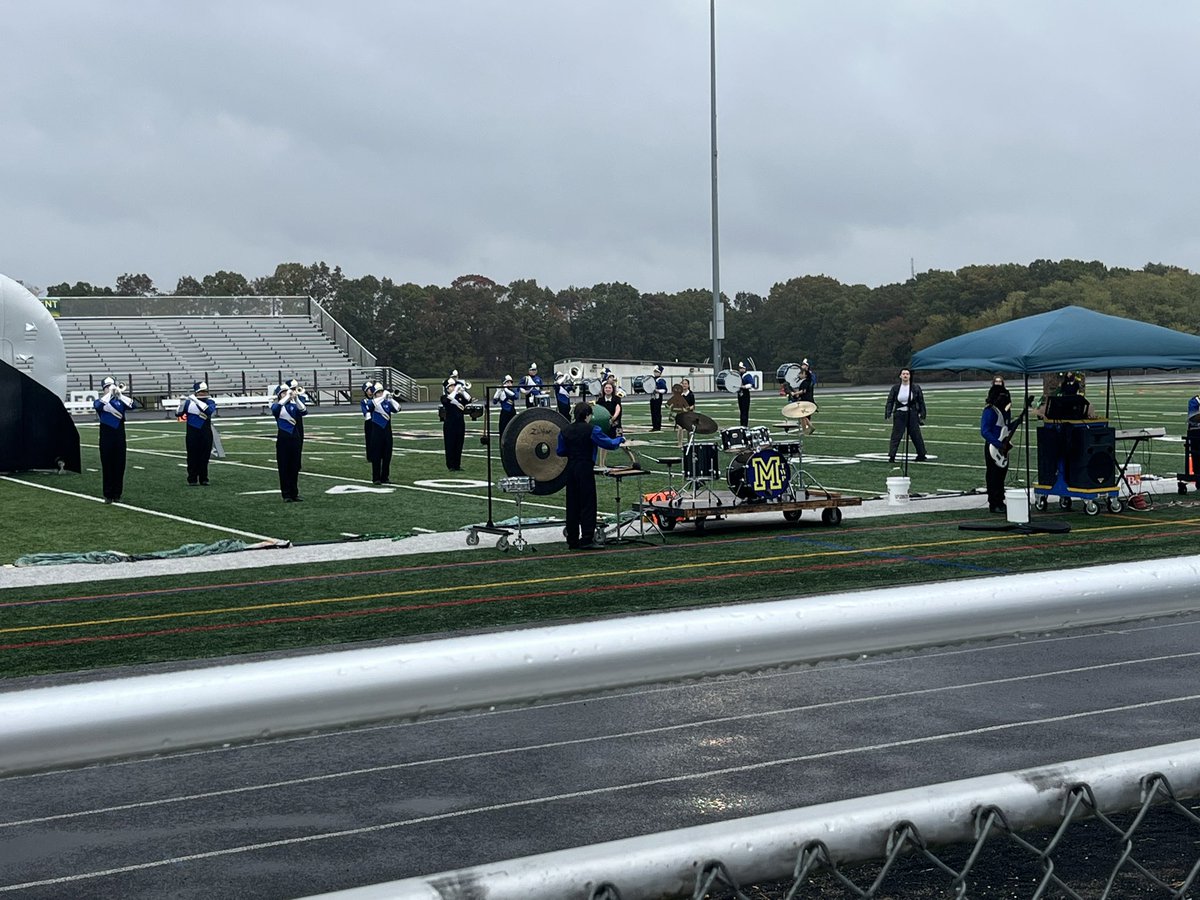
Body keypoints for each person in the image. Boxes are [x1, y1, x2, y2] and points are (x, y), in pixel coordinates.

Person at [556, 401, 626, 550]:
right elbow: (609, 444)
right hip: (585, 468)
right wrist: (620, 439)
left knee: (572, 504)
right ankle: (587, 538)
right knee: (587, 503)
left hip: (571, 468)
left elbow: (560, 451)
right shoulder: (592, 429)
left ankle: (572, 540)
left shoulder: (565, 430)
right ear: (587, 415)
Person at [93, 376, 136, 503]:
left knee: (119, 465)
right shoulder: (101, 401)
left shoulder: (120, 401)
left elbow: (134, 405)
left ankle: (117, 494)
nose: (110, 389)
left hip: (119, 436)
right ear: (103, 389)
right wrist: (109, 394)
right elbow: (98, 406)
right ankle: (108, 494)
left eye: (112, 386)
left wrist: (120, 395)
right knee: (107, 465)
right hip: (106, 437)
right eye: (107, 387)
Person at [980, 380, 1013, 514]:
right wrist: (998, 443)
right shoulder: (990, 411)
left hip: (1003, 447)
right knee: (993, 475)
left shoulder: (1005, 411)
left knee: (1001, 475)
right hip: (993, 447)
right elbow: (985, 431)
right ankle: (994, 503)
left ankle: (1000, 500)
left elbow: (1006, 427)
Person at [884, 368, 928, 463]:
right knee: (896, 435)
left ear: (910, 376)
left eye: (907, 374)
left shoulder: (915, 387)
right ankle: (892, 455)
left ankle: (921, 454)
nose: (905, 375)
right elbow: (890, 401)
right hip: (899, 414)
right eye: (903, 374)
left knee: (916, 435)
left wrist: (922, 414)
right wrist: (888, 413)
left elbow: (921, 401)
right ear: (900, 376)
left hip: (912, 414)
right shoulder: (895, 388)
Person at [176, 381, 216, 485]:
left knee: (205, 456)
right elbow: (178, 414)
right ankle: (192, 479)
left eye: (205, 391)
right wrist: (181, 403)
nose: (203, 393)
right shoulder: (189, 403)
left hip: (205, 431)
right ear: (196, 392)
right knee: (192, 456)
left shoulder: (210, 402)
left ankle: (204, 478)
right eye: (201, 391)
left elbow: (208, 411)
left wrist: (195, 400)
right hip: (192, 431)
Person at [272, 383, 307, 502]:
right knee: (284, 467)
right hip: (283, 438)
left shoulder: (293, 406)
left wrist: (296, 398)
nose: (287, 393)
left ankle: (294, 493)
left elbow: (304, 411)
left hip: (295, 437)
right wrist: (287, 396)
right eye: (283, 392)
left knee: (294, 466)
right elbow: (275, 409)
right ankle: (286, 494)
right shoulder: (278, 406)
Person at [367, 382, 401, 484]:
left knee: (387, 456)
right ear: (375, 394)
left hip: (387, 431)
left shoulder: (386, 403)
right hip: (377, 432)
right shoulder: (374, 402)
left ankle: (385, 477)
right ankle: (376, 478)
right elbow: (370, 405)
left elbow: (398, 408)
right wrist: (383, 397)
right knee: (376, 456)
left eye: (382, 392)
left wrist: (391, 399)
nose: (381, 394)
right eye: (379, 392)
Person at [442, 375, 471, 471]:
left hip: (460, 423)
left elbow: (469, 399)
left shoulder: (459, 396)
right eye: (451, 386)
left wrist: (463, 391)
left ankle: (457, 465)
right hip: (450, 424)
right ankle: (450, 465)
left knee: (459, 445)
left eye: (454, 385)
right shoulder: (444, 397)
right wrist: (455, 390)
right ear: (447, 388)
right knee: (450, 444)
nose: (454, 387)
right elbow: (448, 399)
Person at [594, 378, 623, 468]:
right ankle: (601, 463)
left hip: (616, 425)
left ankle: (633, 460)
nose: (607, 389)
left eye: (609, 388)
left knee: (622, 443)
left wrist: (613, 418)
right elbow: (597, 410)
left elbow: (618, 409)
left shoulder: (616, 398)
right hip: (605, 425)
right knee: (603, 443)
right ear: (603, 389)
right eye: (606, 388)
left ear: (612, 389)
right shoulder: (600, 400)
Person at [787, 359, 817, 434]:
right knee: (804, 415)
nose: (802, 366)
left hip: (806, 398)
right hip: (805, 398)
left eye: (804, 364)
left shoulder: (808, 378)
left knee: (803, 415)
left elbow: (804, 390)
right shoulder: (805, 378)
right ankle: (808, 428)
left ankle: (807, 428)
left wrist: (796, 393)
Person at [672, 378, 696, 447]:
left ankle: (689, 443)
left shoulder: (691, 394)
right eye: (683, 384)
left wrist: (687, 409)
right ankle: (680, 443)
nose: (684, 385)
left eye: (686, 384)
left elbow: (693, 406)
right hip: (680, 414)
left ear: (688, 385)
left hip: (689, 414)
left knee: (689, 429)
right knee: (680, 428)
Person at [648, 364, 668, 431]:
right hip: (653, 398)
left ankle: (657, 426)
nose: (655, 373)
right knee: (653, 412)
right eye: (655, 371)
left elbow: (664, 390)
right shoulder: (652, 379)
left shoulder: (660, 380)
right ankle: (654, 426)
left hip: (658, 398)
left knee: (657, 412)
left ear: (660, 373)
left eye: (657, 372)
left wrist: (657, 390)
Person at [360, 381, 376, 462]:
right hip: (369, 421)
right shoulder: (364, 401)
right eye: (369, 390)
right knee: (369, 439)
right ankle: (370, 456)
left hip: (377, 421)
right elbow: (366, 412)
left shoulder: (377, 399)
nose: (370, 391)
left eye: (371, 389)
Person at [737, 361, 754, 427]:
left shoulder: (747, 376)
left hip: (745, 394)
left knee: (745, 411)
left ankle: (745, 425)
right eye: (740, 368)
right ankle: (742, 424)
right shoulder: (738, 376)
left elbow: (751, 384)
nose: (740, 369)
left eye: (742, 368)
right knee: (741, 411)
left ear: (745, 368)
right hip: (740, 394)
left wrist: (742, 386)